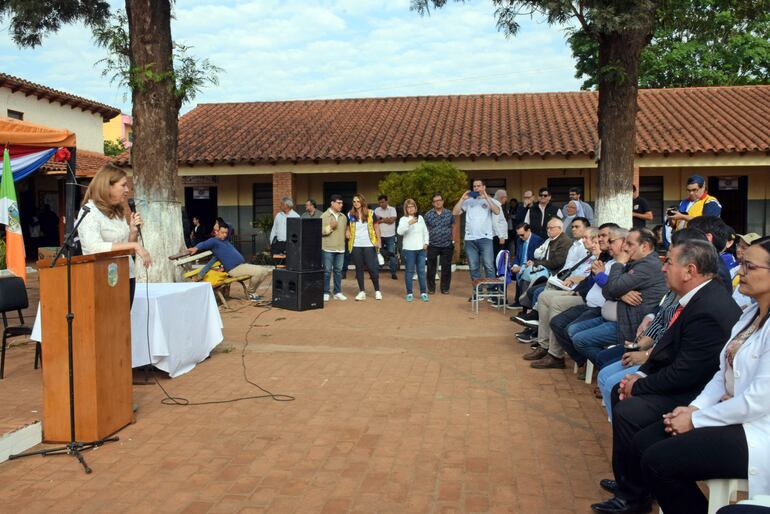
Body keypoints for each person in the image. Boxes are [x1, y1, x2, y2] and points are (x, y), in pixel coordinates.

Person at [591, 239, 742, 514]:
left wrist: (640, 385)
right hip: (685, 382)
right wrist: (638, 375)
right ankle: (631, 482)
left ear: (690, 270)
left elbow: (687, 372)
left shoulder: (709, 308)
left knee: (630, 409)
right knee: (621, 392)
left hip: (694, 391)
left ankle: (633, 495)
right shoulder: (694, 298)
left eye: (669, 262)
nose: (663, 269)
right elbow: (664, 349)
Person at [635, 237, 770, 514]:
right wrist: (694, 408)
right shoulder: (750, 315)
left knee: (659, 460)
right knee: (645, 441)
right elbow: (723, 373)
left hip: (757, 429)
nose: (740, 271)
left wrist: (695, 420)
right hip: (729, 414)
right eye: (742, 263)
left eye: (750, 266)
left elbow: (757, 402)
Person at [77, 166, 152, 308]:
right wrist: (134, 245)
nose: (127, 190)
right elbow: (94, 247)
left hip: (126, 274)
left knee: (123, 324)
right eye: (123, 185)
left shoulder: (117, 212)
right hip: (102, 277)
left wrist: (133, 233)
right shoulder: (89, 212)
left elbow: (127, 250)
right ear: (107, 186)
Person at [188, 224, 271, 302]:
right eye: (222, 232)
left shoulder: (225, 240)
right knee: (259, 272)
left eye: (226, 233)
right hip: (234, 269)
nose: (224, 235)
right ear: (216, 232)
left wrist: (221, 224)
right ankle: (251, 292)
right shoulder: (214, 241)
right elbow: (204, 244)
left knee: (265, 271)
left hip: (241, 266)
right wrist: (196, 248)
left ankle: (252, 292)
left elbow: (229, 225)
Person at [452, 179, 501, 300]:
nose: (477, 188)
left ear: (484, 187)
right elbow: (455, 212)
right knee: (474, 267)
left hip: (485, 238)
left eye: (479, 186)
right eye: (474, 186)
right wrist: (462, 198)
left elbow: (497, 211)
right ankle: (477, 292)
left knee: (489, 266)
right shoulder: (468, 201)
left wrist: (486, 197)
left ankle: (491, 294)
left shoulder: (491, 200)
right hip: (470, 239)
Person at [347, 193, 382, 301]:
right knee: (359, 269)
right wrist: (347, 231)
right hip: (355, 245)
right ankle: (362, 291)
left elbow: (376, 227)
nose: (356, 203)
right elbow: (348, 226)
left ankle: (377, 290)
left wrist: (378, 240)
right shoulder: (350, 214)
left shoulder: (371, 213)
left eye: (358, 201)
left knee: (372, 268)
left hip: (369, 244)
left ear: (362, 201)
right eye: (354, 201)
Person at [397, 199, 430, 302]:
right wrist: (409, 223)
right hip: (409, 249)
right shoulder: (403, 219)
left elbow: (425, 231)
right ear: (406, 209)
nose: (411, 209)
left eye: (413, 206)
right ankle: (410, 293)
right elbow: (399, 232)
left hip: (421, 249)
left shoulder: (420, 218)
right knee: (409, 272)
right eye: (409, 207)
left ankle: (423, 292)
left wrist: (426, 242)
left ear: (415, 208)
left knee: (421, 271)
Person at [424, 192, 455, 294]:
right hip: (433, 244)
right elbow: (425, 229)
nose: (438, 203)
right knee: (431, 268)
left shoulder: (449, 213)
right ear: (433, 203)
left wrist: (453, 240)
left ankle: (445, 288)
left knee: (446, 267)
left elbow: (453, 227)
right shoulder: (428, 215)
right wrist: (426, 242)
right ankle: (431, 289)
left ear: (443, 201)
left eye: (439, 200)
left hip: (447, 244)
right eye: (435, 201)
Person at [321, 194, 348, 302]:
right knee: (327, 271)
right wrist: (330, 227)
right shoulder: (324, 216)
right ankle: (325, 292)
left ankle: (337, 292)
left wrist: (347, 232)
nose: (341, 205)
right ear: (332, 203)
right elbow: (319, 231)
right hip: (327, 248)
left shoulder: (344, 217)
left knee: (338, 271)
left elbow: (346, 229)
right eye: (338, 203)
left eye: (342, 203)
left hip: (340, 248)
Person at [509, 223, 543, 308]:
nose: (520, 237)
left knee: (522, 272)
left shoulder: (537, 240)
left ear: (528, 231)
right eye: (519, 235)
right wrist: (516, 265)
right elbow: (517, 255)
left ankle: (522, 302)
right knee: (508, 272)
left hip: (532, 265)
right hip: (521, 264)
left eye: (522, 234)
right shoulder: (519, 240)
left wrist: (522, 267)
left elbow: (539, 258)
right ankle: (517, 300)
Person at [374, 194, 399, 279]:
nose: (381, 204)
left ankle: (393, 273)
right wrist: (386, 219)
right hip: (379, 236)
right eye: (380, 202)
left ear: (387, 201)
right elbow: (375, 220)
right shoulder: (377, 210)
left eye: (383, 202)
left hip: (390, 236)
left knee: (392, 254)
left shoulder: (392, 209)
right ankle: (375, 272)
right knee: (376, 253)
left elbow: (392, 220)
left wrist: (381, 219)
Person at [492, 189, 509, 257]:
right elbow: (495, 222)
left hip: (498, 236)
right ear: (502, 197)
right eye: (506, 197)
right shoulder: (496, 205)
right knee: (498, 257)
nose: (506, 199)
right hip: (497, 237)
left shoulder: (497, 205)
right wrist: (501, 236)